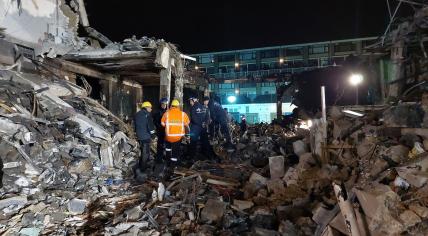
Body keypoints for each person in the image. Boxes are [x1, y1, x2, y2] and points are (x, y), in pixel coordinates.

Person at [161, 99, 190, 167]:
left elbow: (162, 124)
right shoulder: (183, 114)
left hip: (168, 136)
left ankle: (167, 162)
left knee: (168, 149)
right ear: (178, 106)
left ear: (171, 106)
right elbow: (187, 124)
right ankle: (173, 164)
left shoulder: (166, 113)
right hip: (177, 137)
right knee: (175, 151)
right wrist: (187, 135)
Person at [134, 101, 155, 171]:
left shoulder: (137, 114)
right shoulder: (147, 115)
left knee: (142, 151)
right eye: (150, 108)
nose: (151, 109)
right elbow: (150, 127)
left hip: (139, 136)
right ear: (146, 107)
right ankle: (143, 168)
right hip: (146, 136)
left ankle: (141, 165)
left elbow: (135, 126)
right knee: (145, 153)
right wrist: (153, 136)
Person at [153, 98, 168, 163]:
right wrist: (161, 127)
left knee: (166, 145)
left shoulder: (167, 112)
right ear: (160, 104)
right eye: (163, 104)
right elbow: (155, 122)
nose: (164, 105)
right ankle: (159, 159)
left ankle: (164, 157)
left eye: (165, 104)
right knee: (160, 145)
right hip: (161, 131)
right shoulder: (157, 112)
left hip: (167, 132)